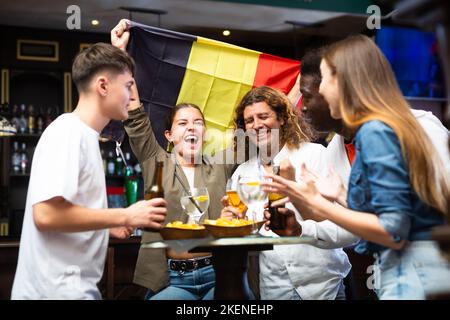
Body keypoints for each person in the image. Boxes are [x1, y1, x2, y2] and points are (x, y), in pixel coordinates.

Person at [263, 35, 450, 300]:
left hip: (417, 270)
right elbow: (384, 213)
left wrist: (319, 201)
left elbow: (396, 227)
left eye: (325, 79)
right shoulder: (357, 138)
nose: (303, 105)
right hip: (401, 268)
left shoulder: (381, 130)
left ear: (344, 83)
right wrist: (336, 199)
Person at [11, 43, 167, 300]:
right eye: (128, 86)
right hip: (55, 292)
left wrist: (107, 225)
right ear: (103, 86)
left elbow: (63, 218)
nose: (131, 95)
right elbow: (46, 215)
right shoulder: (68, 133)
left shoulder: (84, 135)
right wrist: (125, 215)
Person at [111, 19, 235, 300]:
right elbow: (134, 113)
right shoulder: (156, 160)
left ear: (205, 132)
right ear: (169, 135)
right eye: (183, 123)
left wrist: (296, 89)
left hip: (220, 274)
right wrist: (122, 55)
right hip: (172, 280)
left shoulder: (221, 163)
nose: (192, 127)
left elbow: (258, 130)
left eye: (198, 123)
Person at [222, 85, 358, 300]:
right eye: (249, 121)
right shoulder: (242, 172)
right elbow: (249, 236)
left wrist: (298, 212)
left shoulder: (315, 155)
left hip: (324, 285)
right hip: (275, 288)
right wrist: (235, 224)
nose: (257, 125)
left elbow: (343, 225)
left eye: (263, 116)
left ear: (282, 118)